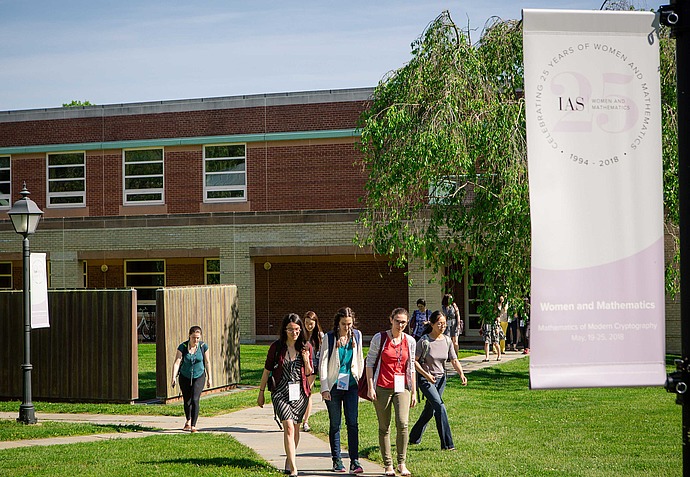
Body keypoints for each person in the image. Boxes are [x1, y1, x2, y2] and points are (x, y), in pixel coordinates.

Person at [258, 313, 313, 477]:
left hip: (299, 393)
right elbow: (267, 370)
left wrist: (306, 360)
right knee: (288, 427)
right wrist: (261, 392)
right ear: (284, 330)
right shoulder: (276, 347)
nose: (294, 332)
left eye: (297, 329)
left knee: (295, 428)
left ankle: (290, 460)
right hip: (280, 392)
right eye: (290, 329)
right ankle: (294, 469)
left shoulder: (306, 347)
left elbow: (310, 373)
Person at [366, 308, 417, 477]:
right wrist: (371, 387)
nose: (400, 325)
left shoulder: (410, 341)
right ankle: (388, 464)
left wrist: (414, 391)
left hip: (402, 387)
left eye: (403, 322)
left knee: (403, 423)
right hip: (382, 386)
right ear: (391, 320)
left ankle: (402, 462)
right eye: (397, 321)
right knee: (384, 426)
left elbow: (411, 367)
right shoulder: (379, 338)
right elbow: (370, 363)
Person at [410, 310, 467, 450]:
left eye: (444, 324)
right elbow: (414, 361)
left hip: (441, 380)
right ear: (432, 324)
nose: (442, 326)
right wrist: (426, 375)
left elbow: (454, 360)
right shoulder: (424, 341)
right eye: (439, 324)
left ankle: (414, 436)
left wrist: (461, 374)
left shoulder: (447, 340)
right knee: (440, 406)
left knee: (430, 409)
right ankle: (447, 444)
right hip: (426, 380)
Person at [319, 307, 365, 474]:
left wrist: (359, 379)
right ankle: (337, 460)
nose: (347, 327)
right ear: (338, 323)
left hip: (351, 385)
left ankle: (354, 460)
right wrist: (325, 388)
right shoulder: (329, 337)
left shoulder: (357, 336)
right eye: (344, 324)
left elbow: (359, 358)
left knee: (352, 423)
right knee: (335, 424)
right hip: (334, 386)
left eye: (349, 324)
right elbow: (323, 363)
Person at [171, 325, 212, 433]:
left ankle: (193, 425)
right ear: (189, 336)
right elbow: (177, 362)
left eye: (198, 338)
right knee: (187, 400)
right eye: (193, 337)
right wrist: (173, 377)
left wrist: (210, 378)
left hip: (199, 376)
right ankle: (188, 420)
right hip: (185, 376)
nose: (196, 340)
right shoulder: (183, 346)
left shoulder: (203, 346)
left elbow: (207, 362)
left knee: (195, 399)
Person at [302, 310, 323, 433]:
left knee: (307, 392)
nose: (308, 326)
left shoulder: (320, 336)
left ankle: (306, 421)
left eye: (311, 324)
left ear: (316, 323)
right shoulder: (300, 334)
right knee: (300, 392)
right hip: (301, 366)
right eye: (306, 323)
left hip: (313, 366)